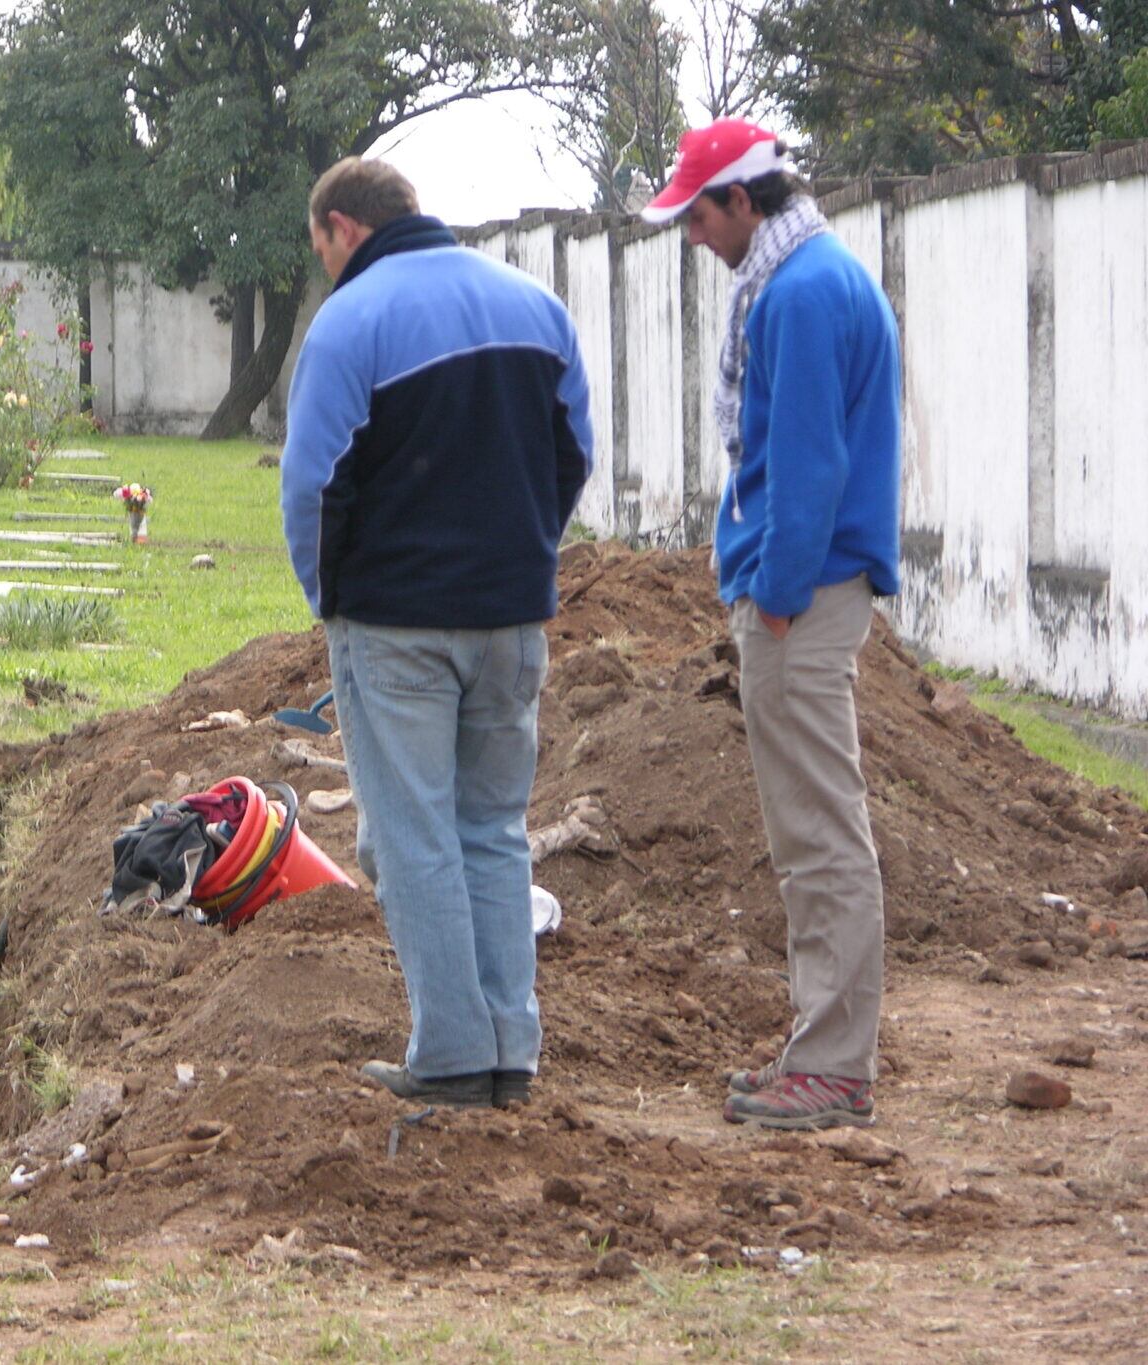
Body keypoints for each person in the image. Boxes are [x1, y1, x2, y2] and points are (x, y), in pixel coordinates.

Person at [281, 157, 593, 1110]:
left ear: (342, 228)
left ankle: (452, 1054)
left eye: (321, 249)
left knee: (412, 836)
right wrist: (522, 558)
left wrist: (329, 598)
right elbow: (573, 453)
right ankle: (511, 1049)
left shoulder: (350, 322)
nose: (326, 267)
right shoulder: (537, 309)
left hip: (396, 624)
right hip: (512, 618)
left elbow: (313, 485)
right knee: (493, 829)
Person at [641, 119, 901, 1130]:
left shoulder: (795, 294)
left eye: (699, 215)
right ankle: (819, 1050)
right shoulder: (815, 275)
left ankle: (831, 1067)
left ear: (742, 201)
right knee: (812, 831)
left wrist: (777, 595)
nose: (693, 235)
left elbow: (805, 467)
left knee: (817, 835)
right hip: (815, 586)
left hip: (804, 596)